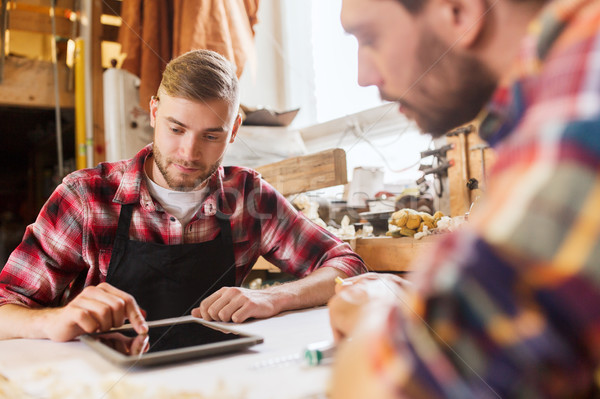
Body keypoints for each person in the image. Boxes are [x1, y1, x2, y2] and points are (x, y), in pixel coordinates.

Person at [328, 0, 600, 397]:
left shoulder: (584, 83)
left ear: (460, 11)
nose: (363, 76)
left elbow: (392, 386)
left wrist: (378, 313)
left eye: (370, 38)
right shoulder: (539, 100)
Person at [0, 49, 366, 342]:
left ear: (234, 130)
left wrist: (274, 297)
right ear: (155, 112)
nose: (189, 153)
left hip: (217, 378)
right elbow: (6, 306)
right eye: (176, 129)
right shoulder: (86, 197)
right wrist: (54, 321)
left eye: (211, 136)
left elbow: (346, 265)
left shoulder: (248, 198)